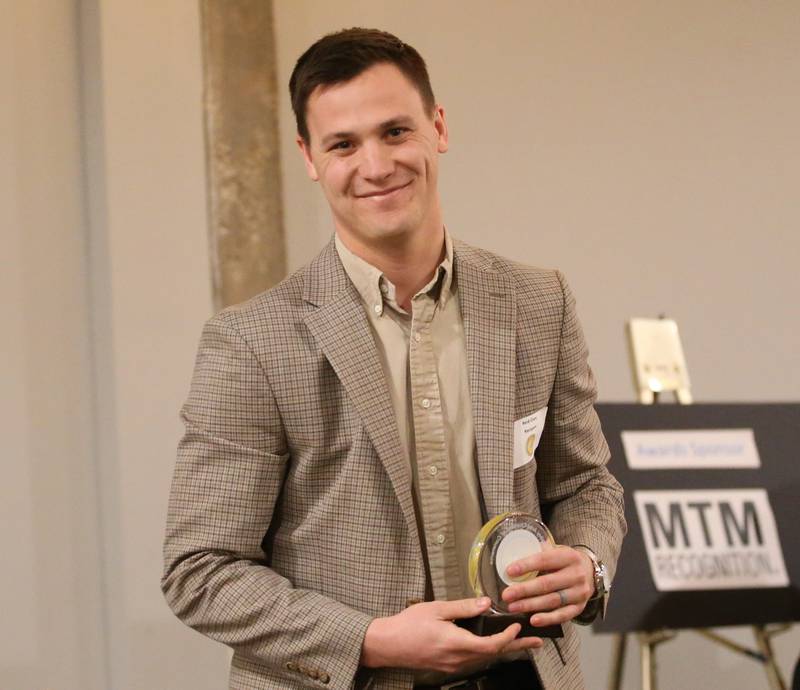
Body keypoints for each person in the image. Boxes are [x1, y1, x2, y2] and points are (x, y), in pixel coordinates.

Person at [162, 27, 625, 690]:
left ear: (438, 127)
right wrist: (371, 641)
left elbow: (584, 486)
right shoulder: (252, 341)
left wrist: (586, 560)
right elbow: (201, 570)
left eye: (395, 132)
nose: (376, 166)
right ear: (309, 157)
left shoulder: (537, 302)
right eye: (343, 144)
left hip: (525, 675)